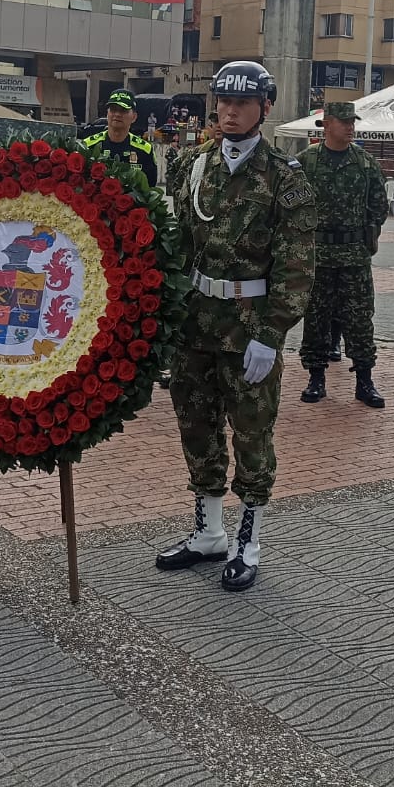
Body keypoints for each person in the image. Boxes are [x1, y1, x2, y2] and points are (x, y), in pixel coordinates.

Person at [156, 60, 316, 592]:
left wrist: (272, 335)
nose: (229, 110)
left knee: (252, 433)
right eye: (223, 101)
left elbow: (296, 268)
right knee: (196, 427)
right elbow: (176, 243)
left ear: (264, 109)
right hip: (197, 321)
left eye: (242, 103)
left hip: (251, 325)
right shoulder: (194, 166)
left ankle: (248, 540)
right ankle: (209, 531)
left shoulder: (286, 179)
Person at [297, 102, 389, 408]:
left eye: (353, 122)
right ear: (327, 124)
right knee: (316, 318)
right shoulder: (306, 162)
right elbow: (291, 204)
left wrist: (369, 235)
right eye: (344, 122)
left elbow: (379, 204)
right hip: (319, 256)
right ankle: (316, 378)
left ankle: (365, 381)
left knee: (360, 319)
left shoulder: (364, 163)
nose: (351, 127)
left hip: (354, 257)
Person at [80, 89, 157, 187]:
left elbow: (149, 189)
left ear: (134, 117)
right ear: (107, 114)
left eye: (123, 110)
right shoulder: (88, 146)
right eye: (113, 109)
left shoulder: (145, 149)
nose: (117, 114)